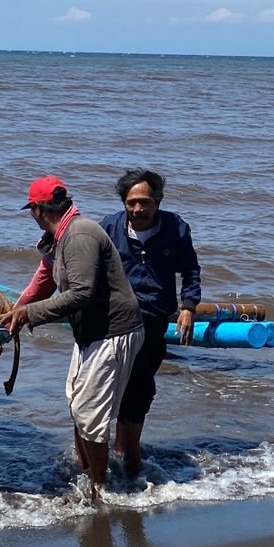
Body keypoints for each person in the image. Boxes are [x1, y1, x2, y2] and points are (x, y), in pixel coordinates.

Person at [0, 177, 144, 500]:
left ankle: (98, 490)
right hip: (92, 333)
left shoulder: (79, 235)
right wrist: (14, 316)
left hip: (113, 332)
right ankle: (88, 472)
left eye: (32, 211)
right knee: (78, 405)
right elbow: (42, 282)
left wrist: (30, 314)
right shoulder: (59, 238)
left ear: (37, 209)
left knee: (90, 415)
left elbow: (81, 293)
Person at [99, 168, 201, 480]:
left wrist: (188, 307)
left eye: (144, 202)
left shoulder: (175, 227)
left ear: (158, 201)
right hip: (116, 321)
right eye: (131, 202)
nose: (137, 209)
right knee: (128, 388)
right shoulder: (108, 228)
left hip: (155, 320)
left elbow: (190, 270)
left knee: (138, 390)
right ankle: (125, 457)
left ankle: (124, 452)